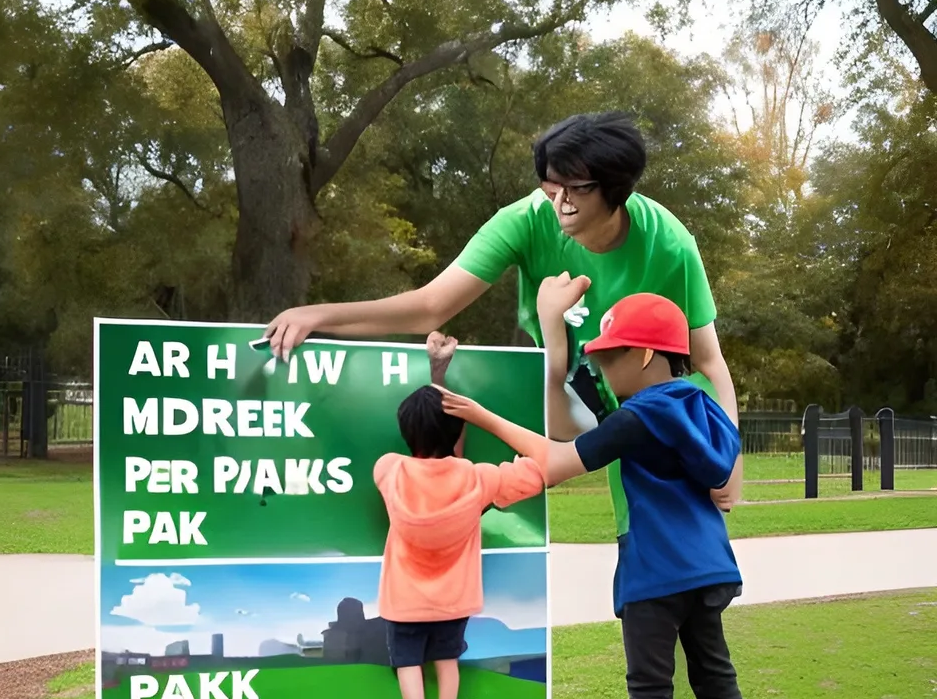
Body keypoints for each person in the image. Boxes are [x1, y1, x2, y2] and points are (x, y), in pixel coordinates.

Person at [438, 279, 763, 699]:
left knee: (651, 697)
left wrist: (481, 415)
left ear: (643, 355)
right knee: (720, 691)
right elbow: (718, 484)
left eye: (611, 357)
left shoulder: (643, 414)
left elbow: (558, 462)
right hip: (710, 567)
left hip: (654, 571)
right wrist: (570, 350)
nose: (604, 368)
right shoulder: (699, 403)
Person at [265, 111, 742, 512]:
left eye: (575, 188)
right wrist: (318, 315)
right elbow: (431, 306)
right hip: (567, 391)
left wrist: (731, 458)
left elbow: (708, 361)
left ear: (614, 190)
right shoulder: (525, 220)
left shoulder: (670, 243)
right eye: (551, 187)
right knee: (632, 553)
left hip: (655, 406)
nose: (560, 203)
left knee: (679, 549)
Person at [374, 332, 546, 699]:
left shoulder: (389, 470)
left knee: (408, 665)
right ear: (457, 432)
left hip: (403, 603)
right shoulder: (478, 479)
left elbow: (442, 460)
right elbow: (537, 467)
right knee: (447, 663)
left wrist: (437, 373)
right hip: (454, 602)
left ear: (404, 431)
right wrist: (486, 418)